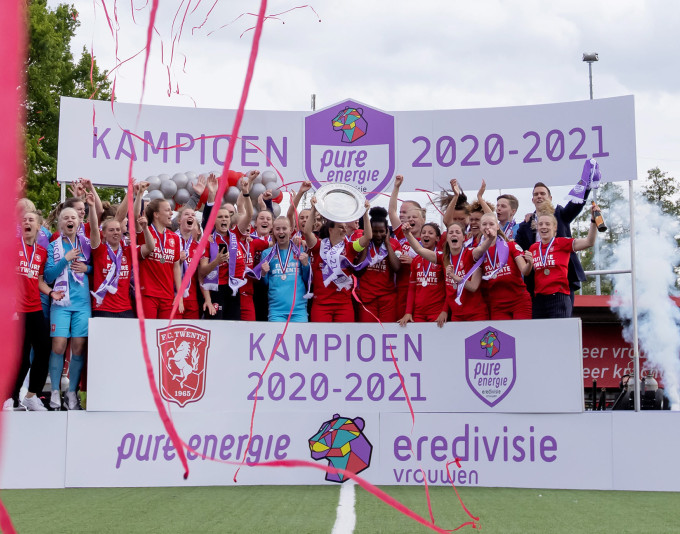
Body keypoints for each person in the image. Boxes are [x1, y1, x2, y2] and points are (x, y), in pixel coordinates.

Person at [5, 211, 63, 411]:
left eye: (31, 220)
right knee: (18, 355)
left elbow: (38, 280)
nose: (27, 222)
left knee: (43, 349)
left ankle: (31, 395)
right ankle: (8, 398)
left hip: (34, 307)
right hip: (16, 310)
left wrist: (51, 292)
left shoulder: (41, 252)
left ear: (39, 226)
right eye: (24, 219)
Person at [45, 204, 93, 410]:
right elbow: (48, 276)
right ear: (61, 223)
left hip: (82, 304)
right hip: (61, 303)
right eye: (66, 218)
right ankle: (55, 390)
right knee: (58, 345)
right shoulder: (53, 246)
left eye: (73, 217)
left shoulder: (87, 244)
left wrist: (87, 267)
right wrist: (65, 259)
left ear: (79, 222)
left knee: (79, 348)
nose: (70, 220)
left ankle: (71, 392)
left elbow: (98, 268)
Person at [516, 181, 590, 301]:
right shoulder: (526, 224)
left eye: (542, 193)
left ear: (550, 198)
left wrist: (586, 186)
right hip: (537, 284)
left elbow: (575, 205)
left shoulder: (560, 214)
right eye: (536, 194)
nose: (539, 196)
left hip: (563, 281)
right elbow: (516, 247)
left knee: (563, 318)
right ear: (532, 200)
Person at [303, 197, 372, 322]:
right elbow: (307, 232)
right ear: (331, 230)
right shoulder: (319, 246)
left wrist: (366, 213)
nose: (344, 229)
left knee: (345, 340)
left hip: (343, 305)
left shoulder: (350, 247)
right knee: (320, 339)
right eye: (341, 227)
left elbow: (368, 237)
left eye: (345, 227)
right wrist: (313, 209)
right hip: (321, 305)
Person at [402, 222, 484, 325]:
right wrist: (407, 234)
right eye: (451, 232)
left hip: (475, 313)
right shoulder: (443, 258)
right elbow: (419, 249)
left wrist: (490, 237)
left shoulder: (470, 254)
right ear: (447, 238)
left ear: (464, 238)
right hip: (456, 314)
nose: (454, 234)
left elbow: (482, 249)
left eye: (457, 232)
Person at [528, 206, 599, 319]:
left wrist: (593, 221)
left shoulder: (562, 243)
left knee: (560, 335)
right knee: (540, 335)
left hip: (559, 297)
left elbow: (589, 242)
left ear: (555, 227)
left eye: (547, 224)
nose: (544, 227)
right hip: (539, 299)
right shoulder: (533, 248)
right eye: (540, 224)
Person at [199, 175, 254, 320]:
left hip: (234, 287)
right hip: (216, 288)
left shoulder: (235, 233)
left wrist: (246, 192)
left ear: (230, 220)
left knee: (233, 328)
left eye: (226, 217)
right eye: (220, 217)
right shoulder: (209, 240)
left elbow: (249, 215)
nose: (224, 219)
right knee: (216, 327)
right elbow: (202, 271)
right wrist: (217, 261)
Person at [472, 213, 533, 320]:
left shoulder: (510, 246)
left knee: (522, 335)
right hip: (498, 305)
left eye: (491, 224)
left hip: (519, 301)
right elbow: (477, 254)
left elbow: (525, 271)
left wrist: (530, 264)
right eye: (484, 224)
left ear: (497, 226)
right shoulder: (479, 251)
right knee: (503, 337)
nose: (487, 227)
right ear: (480, 228)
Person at [136, 195, 183, 319]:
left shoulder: (175, 237)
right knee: (148, 333)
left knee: (164, 335)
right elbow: (136, 217)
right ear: (156, 214)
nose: (171, 213)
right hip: (148, 294)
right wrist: (138, 194)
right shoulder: (145, 232)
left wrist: (179, 294)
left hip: (168, 295)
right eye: (167, 210)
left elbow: (176, 267)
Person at [388, 174, 426, 318]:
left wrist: (414, 262)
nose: (410, 220)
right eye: (407, 217)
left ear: (423, 219)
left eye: (414, 217)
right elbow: (391, 212)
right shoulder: (402, 235)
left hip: (422, 289)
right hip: (403, 289)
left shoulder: (429, 239)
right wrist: (396, 187)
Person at [259, 216, 311, 322]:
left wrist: (306, 265)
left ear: (291, 230)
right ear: (272, 231)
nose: (281, 232)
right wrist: (263, 273)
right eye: (277, 229)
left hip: (299, 311)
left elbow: (307, 280)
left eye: (284, 228)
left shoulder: (300, 251)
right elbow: (265, 283)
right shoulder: (267, 253)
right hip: (276, 311)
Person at [355, 207, 401, 322]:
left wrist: (388, 244)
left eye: (382, 231)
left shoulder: (394, 244)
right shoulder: (360, 243)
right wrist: (365, 242)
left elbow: (397, 268)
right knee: (368, 332)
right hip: (367, 297)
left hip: (388, 298)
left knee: (387, 333)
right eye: (374, 231)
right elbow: (358, 270)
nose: (378, 235)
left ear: (387, 231)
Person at [89, 202, 134, 318]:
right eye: (111, 230)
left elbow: (120, 216)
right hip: (103, 307)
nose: (115, 233)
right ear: (103, 233)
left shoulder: (127, 250)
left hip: (125, 308)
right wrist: (91, 206)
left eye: (118, 230)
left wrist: (132, 193)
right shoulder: (100, 250)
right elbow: (93, 228)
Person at [398, 222, 446, 325]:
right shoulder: (416, 260)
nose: (426, 235)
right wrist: (408, 312)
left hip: (436, 312)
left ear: (437, 238)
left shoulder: (442, 258)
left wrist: (444, 310)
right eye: (423, 232)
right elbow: (412, 289)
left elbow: (448, 288)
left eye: (430, 233)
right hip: (419, 313)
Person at [174, 207, 215, 319]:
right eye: (186, 214)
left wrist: (208, 300)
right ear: (179, 221)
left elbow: (201, 276)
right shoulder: (171, 240)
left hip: (191, 298)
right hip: (173, 296)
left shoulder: (198, 247)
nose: (191, 216)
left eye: (193, 215)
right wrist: (177, 261)